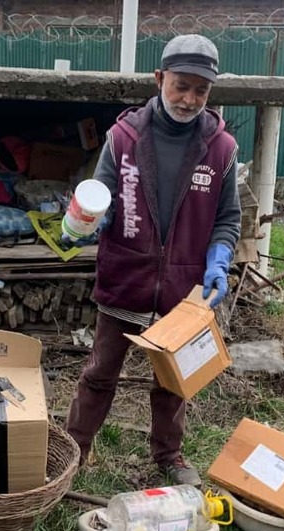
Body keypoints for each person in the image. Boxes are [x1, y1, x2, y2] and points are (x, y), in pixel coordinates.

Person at [64, 34, 241, 487]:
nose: (189, 99)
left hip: (184, 293)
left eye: (201, 91)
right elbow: (100, 197)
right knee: (101, 373)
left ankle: (169, 455)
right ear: (160, 78)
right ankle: (74, 449)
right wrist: (87, 223)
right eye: (181, 85)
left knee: (172, 381)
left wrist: (219, 260)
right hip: (126, 279)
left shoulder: (220, 149)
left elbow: (227, 218)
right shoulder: (124, 138)